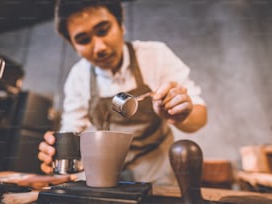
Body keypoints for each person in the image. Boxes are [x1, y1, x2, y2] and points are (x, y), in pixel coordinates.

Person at [38, 0, 207, 185]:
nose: (100, 47)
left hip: (158, 175)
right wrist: (59, 152)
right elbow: (73, 128)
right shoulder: (78, 77)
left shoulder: (156, 55)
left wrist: (181, 113)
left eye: (103, 30)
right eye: (84, 40)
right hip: (106, 177)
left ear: (121, 25)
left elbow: (199, 117)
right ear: (74, 46)